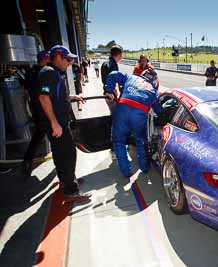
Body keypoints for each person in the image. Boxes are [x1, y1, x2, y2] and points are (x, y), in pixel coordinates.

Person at [37, 45, 91, 202]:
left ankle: (67, 182)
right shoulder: (49, 73)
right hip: (57, 123)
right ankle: (71, 191)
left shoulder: (53, 73)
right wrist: (54, 123)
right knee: (67, 155)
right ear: (58, 58)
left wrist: (72, 97)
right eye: (67, 59)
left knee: (61, 154)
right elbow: (44, 98)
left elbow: (57, 95)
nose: (69, 62)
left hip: (59, 122)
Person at [104, 70, 163, 178]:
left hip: (122, 111)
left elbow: (112, 74)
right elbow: (159, 111)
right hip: (138, 117)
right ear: (154, 80)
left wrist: (109, 91)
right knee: (141, 141)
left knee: (119, 142)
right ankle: (144, 167)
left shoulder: (130, 77)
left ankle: (126, 172)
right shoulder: (153, 91)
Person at [22, 50, 50, 176]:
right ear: (45, 59)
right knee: (57, 138)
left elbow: (27, 91)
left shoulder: (29, 72)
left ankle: (27, 161)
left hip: (36, 110)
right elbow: (45, 95)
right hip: (46, 111)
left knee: (37, 137)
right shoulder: (44, 73)